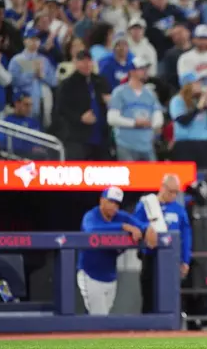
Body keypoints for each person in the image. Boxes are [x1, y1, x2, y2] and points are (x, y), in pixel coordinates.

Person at [77, 187, 157, 315]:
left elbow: (139, 224)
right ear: (102, 200)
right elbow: (92, 230)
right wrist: (123, 227)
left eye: (116, 204)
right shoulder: (91, 216)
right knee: (99, 318)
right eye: (110, 202)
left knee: (101, 316)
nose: (113, 207)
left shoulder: (120, 216)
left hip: (110, 276)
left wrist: (148, 229)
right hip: (89, 274)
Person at [133, 174, 191, 314]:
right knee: (149, 295)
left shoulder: (179, 210)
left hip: (171, 258)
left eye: (176, 192)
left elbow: (186, 236)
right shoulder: (147, 204)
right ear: (163, 187)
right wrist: (146, 227)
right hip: (150, 256)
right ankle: (147, 328)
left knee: (169, 295)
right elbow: (134, 222)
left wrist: (185, 260)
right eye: (171, 191)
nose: (173, 195)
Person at [107, 56, 164, 161]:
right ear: (132, 72)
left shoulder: (150, 94)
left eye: (146, 69)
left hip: (147, 144)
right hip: (126, 145)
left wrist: (153, 124)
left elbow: (158, 115)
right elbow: (112, 118)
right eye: (141, 69)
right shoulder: (119, 92)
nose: (145, 71)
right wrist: (135, 123)